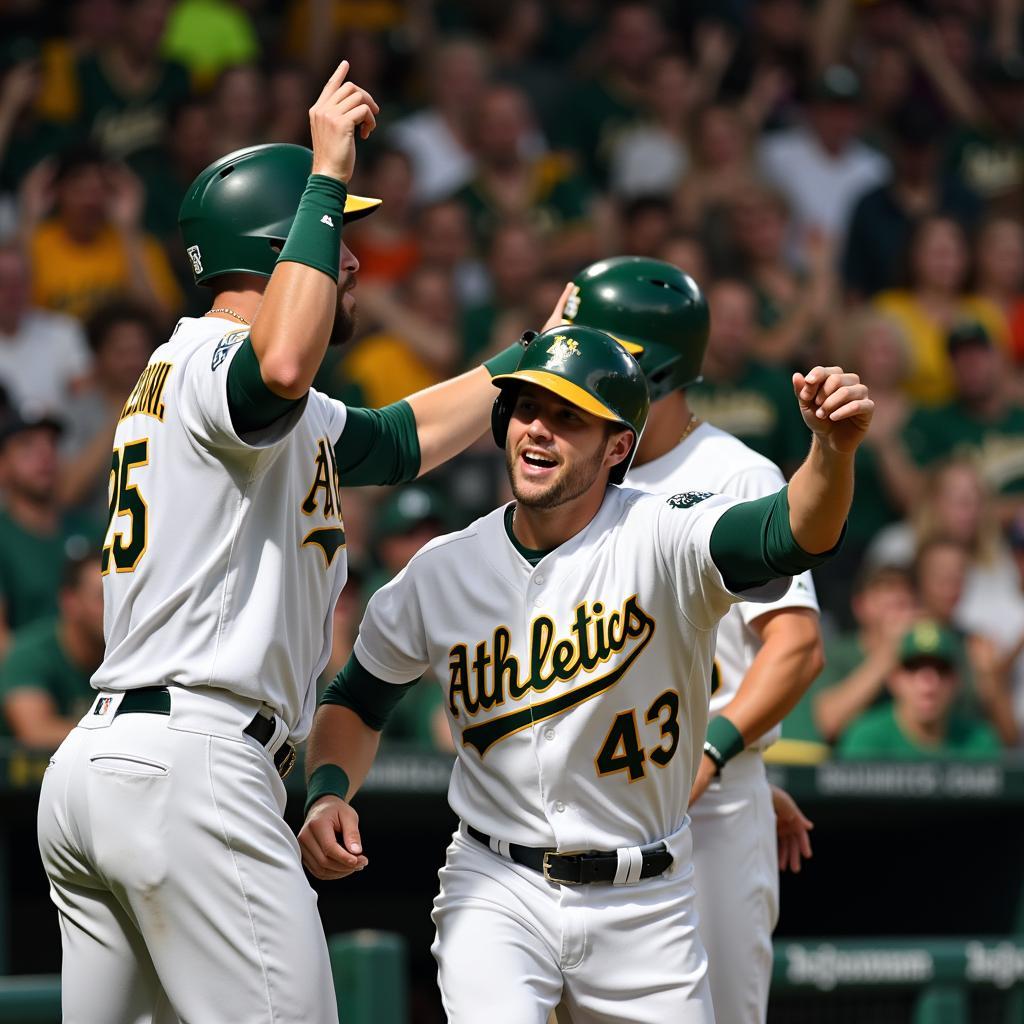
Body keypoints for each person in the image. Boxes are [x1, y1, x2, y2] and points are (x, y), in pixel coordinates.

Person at [36, 62, 547, 1024]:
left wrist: (527, 356)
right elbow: (277, 359)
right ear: (280, 246)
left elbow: (397, 442)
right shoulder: (226, 361)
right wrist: (325, 172)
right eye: (336, 236)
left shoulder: (240, 390)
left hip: (112, 768)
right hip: (193, 767)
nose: (353, 257)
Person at [299, 324, 873, 1023]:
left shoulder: (663, 535)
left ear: (618, 445)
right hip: (496, 885)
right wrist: (329, 791)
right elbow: (357, 698)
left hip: (647, 902)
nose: (537, 430)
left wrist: (831, 452)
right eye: (526, 407)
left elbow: (789, 533)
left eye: (569, 416)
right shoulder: (440, 571)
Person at [564, 256, 824, 1024]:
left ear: (652, 371)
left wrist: (714, 755)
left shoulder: (734, 473)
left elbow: (795, 646)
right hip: (586, 799)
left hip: (700, 810)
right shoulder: (576, 471)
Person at [838, 620, 1002, 760]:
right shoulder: (866, 738)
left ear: (956, 681)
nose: (929, 683)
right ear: (894, 678)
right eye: (913, 668)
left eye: (941, 669)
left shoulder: (978, 740)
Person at [0, 553, 104, 748]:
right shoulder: (29, 654)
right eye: (102, 597)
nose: (113, 608)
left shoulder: (126, 653)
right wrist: (121, 736)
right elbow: (36, 733)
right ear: (70, 601)